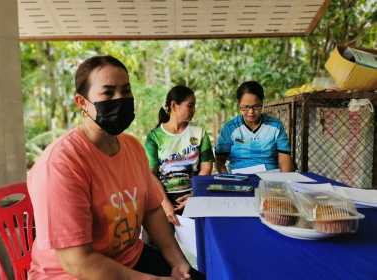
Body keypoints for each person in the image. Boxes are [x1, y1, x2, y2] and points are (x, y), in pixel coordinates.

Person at [27, 56, 205, 280]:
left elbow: (151, 211)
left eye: (126, 90)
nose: (120, 99)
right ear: (82, 102)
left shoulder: (133, 148)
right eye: (108, 93)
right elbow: (77, 262)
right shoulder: (61, 165)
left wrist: (178, 262)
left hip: (130, 257)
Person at [144, 86, 214, 226]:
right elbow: (150, 174)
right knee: (154, 242)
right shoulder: (154, 137)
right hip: (162, 195)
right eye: (190, 106)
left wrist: (195, 195)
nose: (194, 110)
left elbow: (206, 166)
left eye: (194, 106)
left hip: (192, 193)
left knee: (203, 236)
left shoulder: (199, 133)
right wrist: (165, 203)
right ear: (174, 105)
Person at [215, 81, 293, 174]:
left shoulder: (275, 125)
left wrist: (285, 180)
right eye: (245, 107)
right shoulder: (230, 127)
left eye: (256, 107)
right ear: (239, 103)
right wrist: (227, 178)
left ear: (262, 103)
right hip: (239, 179)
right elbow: (219, 160)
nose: (251, 112)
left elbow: (284, 157)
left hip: (270, 177)